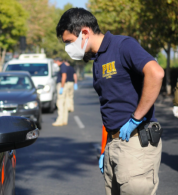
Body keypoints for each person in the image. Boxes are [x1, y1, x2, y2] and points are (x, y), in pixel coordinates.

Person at [56, 8, 164, 194]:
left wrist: (136, 118)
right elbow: (109, 106)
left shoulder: (122, 45)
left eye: (69, 42)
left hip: (136, 144)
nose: (67, 49)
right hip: (113, 145)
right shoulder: (98, 59)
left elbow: (156, 73)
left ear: (85, 32)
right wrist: (105, 148)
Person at [52, 57, 69, 126]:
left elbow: (64, 76)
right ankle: (64, 120)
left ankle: (60, 120)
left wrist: (62, 87)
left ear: (58, 61)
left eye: (55, 62)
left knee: (60, 103)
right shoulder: (63, 66)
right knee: (64, 103)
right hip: (64, 85)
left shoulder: (63, 66)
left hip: (62, 85)